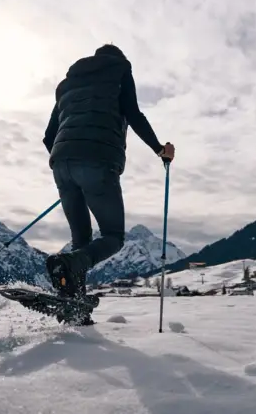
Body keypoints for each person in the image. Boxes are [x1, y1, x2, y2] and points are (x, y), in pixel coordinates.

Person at [42, 43, 175, 303]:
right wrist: (160, 150)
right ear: (119, 59)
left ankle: (75, 302)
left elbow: (49, 136)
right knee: (113, 236)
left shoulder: (67, 84)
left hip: (61, 163)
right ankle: (70, 268)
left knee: (81, 239)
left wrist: (67, 162)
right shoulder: (120, 71)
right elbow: (133, 114)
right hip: (98, 161)